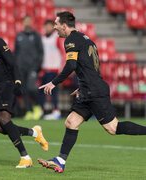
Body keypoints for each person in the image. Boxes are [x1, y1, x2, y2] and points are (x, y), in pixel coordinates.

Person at [38, 11, 146, 173]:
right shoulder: (85, 39)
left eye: (56, 24)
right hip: (89, 89)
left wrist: (54, 83)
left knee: (113, 128)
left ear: (64, 26)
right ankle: (60, 161)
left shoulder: (71, 40)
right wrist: (82, 86)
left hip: (93, 91)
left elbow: (71, 65)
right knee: (71, 122)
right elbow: (90, 67)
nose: (55, 27)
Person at [0, 17, 48, 168]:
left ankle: (25, 157)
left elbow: (12, 63)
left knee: (4, 120)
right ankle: (35, 133)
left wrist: (18, 81)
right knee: (0, 127)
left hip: (6, 84)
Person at [14, 15, 44, 120]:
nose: (27, 22)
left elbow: (41, 52)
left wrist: (37, 66)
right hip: (21, 67)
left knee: (32, 88)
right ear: (23, 23)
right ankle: (28, 111)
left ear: (31, 22)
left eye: (29, 20)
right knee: (24, 90)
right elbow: (16, 52)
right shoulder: (19, 36)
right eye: (25, 21)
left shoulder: (36, 36)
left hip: (32, 67)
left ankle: (37, 107)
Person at [39, 19, 62, 120]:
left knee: (53, 91)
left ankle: (56, 111)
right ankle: (41, 110)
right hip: (45, 69)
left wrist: (61, 67)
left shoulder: (56, 38)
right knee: (42, 91)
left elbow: (62, 53)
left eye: (49, 26)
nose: (47, 28)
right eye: (46, 26)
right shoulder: (42, 38)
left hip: (54, 69)